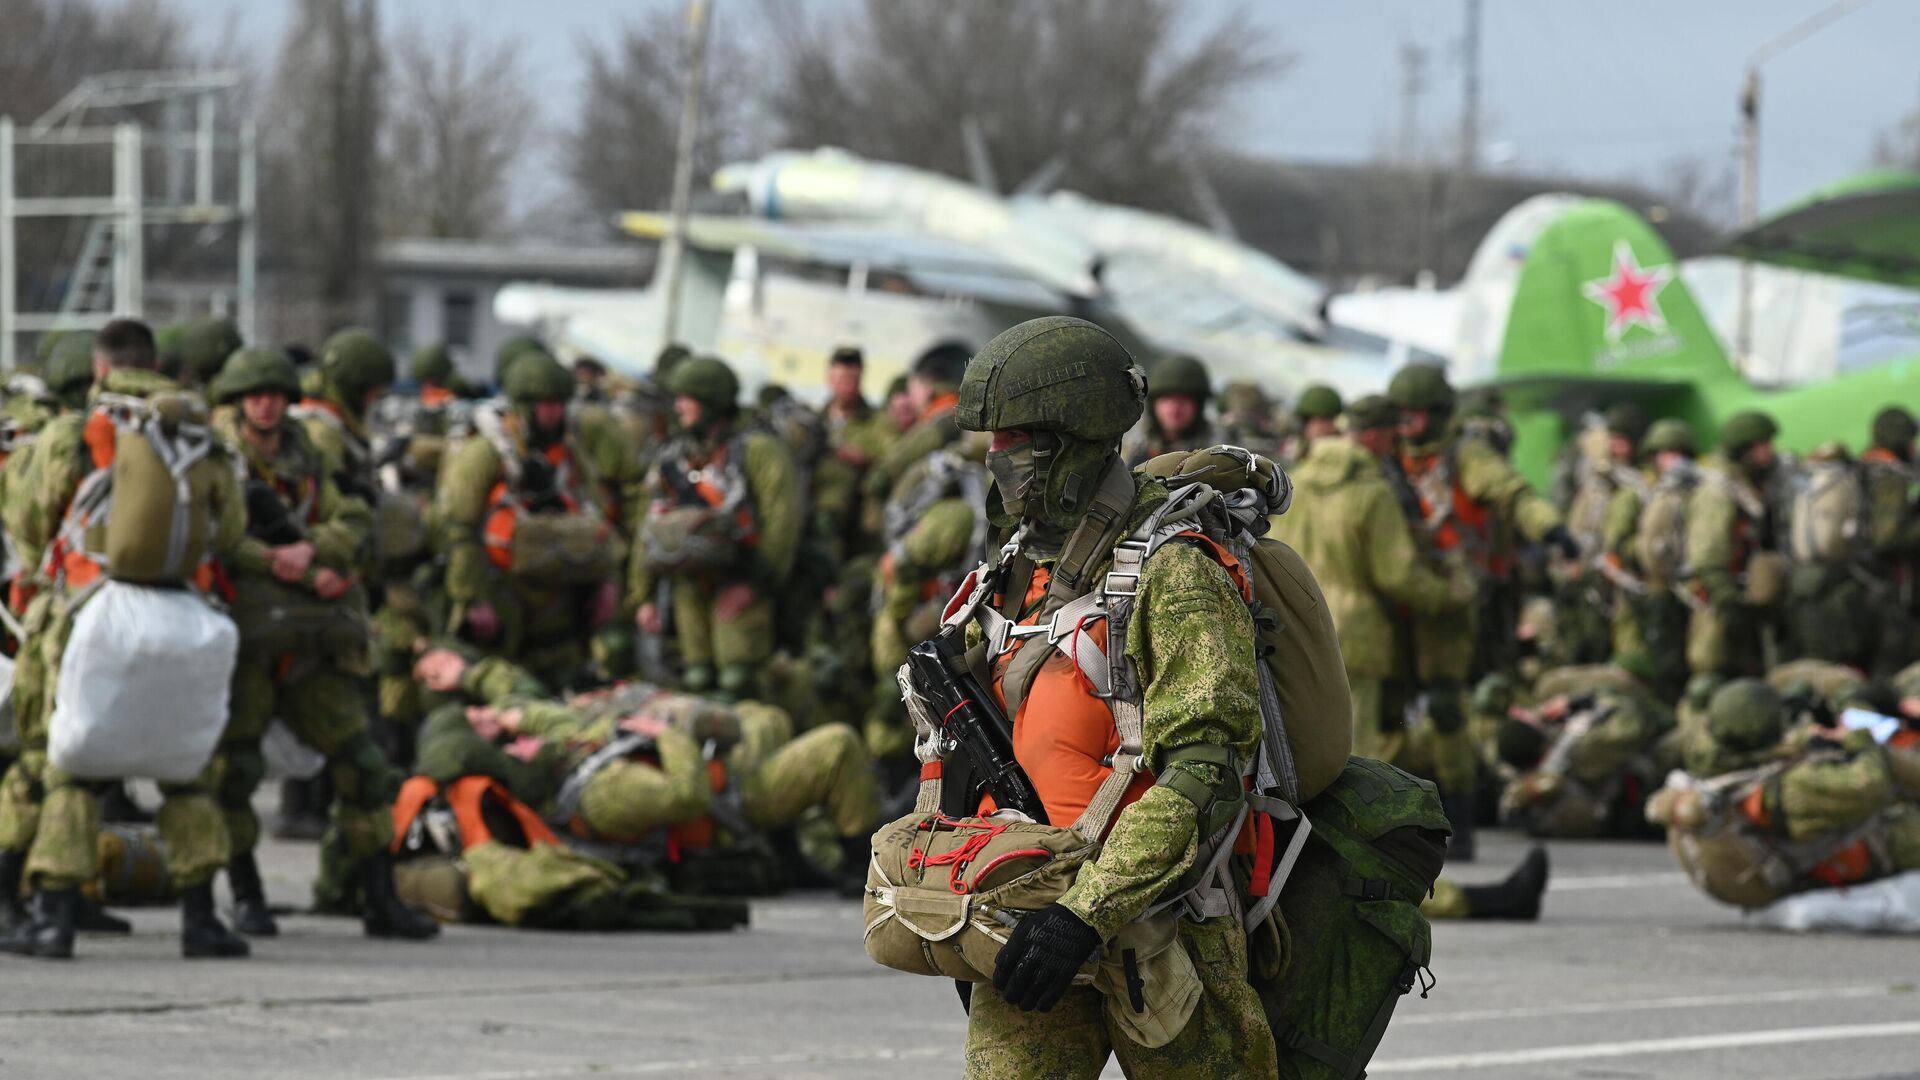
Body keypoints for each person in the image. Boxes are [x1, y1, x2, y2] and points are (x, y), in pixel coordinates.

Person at [944, 316, 1276, 1078]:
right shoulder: (1014, 570)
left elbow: (1207, 774)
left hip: (1166, 926)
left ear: (1074, 438)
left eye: (1016, 437)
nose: (997, 457)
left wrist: (1086, 914)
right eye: (992, 440)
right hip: (1027, 919)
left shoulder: (1176, 571)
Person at [0, 319, 249, 960]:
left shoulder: (73, 432)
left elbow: (28, 521)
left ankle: (54, 918)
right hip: (183, 617)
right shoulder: (197, 435)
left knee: (69, 769)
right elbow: (232, 528)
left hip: (92, 616)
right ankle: (202, 919)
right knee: (188, 772)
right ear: (157, 364)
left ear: (101, 369)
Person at [210, 345, 440, 941]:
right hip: (249, 638)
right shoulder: (218, 456)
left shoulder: (307, 453)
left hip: (311, 639)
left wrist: (316, 552)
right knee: (233, 772)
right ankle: (246, 895)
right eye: (254, 395)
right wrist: (274, 558)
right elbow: (213, 535)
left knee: (362, 765)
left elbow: (355, 518)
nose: (265, 405)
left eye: (275, 395)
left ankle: (378, 897)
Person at [1386, 364, 1572, 860]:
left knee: (1448, 708)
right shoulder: (1383, 458)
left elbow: (1511, 493)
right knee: (1387, 710)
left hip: (1453, 598)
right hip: (1396, 595)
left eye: (1417, 415)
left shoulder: (1464, 457)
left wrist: (1550, 529)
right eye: (1401, 415)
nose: (1409, 425)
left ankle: (1460, 821)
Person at [1269, 395, 1474, 766]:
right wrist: (1449, 595)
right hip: (1355, 637)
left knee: (1299, 747)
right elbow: (1397, 575)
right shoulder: (1373, 493)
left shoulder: (1294, 481)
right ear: (1378, 437)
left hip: (1292, 630)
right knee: (1353, 751)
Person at [439, 350, 625, 690]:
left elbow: (598, 518)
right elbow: (458, 527)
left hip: (563, 601)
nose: (554, 413)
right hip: (503, 596)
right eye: (544, 404)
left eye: (559, 403)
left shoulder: (571, 455)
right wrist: (471, 598)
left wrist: (606, 580)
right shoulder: (486, 453)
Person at [630, 356, 798, 699]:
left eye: (686, 398)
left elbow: (782, 523)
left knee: (740, 680)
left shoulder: (758, 451)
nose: (678, 407)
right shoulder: (675, 457)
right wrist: (642, 596)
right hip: (688, 585)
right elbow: (650, 528)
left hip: (741, 582)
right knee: (695, 678)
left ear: (710, 402)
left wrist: (756, 585)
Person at [1684, 410, 1786, 680]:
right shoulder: (1718, 492)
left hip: (1745, 601)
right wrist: (1730, 604)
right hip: (1722, 608)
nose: (1769, 452)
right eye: (1761, 446)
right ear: (1744, 451)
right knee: (1715, 678)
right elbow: (1706, 556)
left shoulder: (1748, 486)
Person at [1122, 352, 1216, 466]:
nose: (1175, 408)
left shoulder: (1215, 452)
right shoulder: (1130, 447)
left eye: (1184, 399)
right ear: (1154, 403)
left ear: (1199, 405)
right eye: (1167, 399)